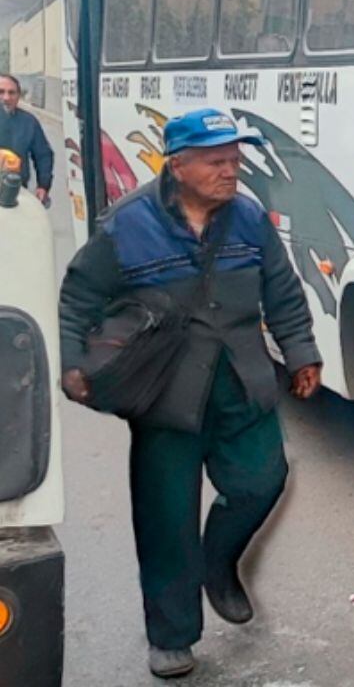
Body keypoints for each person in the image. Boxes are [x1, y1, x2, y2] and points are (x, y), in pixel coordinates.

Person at [57, 108, 323, 680]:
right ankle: (172, 636)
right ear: (177, 165)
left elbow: (282, 290)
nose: (232, 171)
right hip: (164, 391)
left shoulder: (248, 219)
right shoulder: (125, 226)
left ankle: (219, 562)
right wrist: (75, 364)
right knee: (165, 518)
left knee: (262, 481)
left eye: (235, 160)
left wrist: (300, 352)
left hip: (240, 380)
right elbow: (80, 295)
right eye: (216, 161)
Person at [0, 73, 54, 206]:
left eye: (11, 93)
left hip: (16, 193)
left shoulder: (29, 122)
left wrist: (43, 186)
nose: (6, 97)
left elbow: (43, 155)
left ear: (18, 96)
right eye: (1, 92)